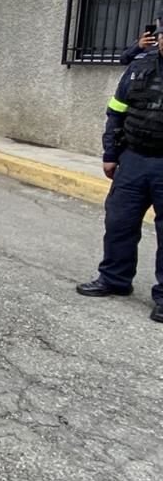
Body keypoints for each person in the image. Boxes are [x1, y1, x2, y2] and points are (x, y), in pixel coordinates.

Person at [77, 29, 163, 324]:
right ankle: (114, 279)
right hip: (134, 160)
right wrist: (110, 154)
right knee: (119, 223)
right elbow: (116, 111)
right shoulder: (140, 65)